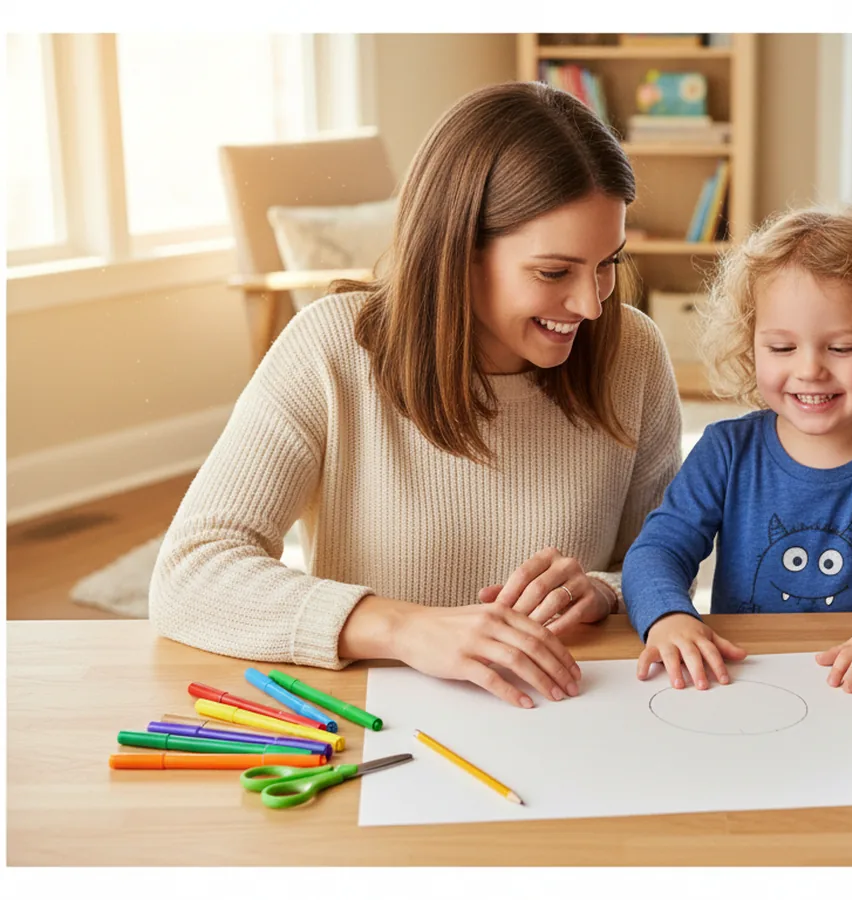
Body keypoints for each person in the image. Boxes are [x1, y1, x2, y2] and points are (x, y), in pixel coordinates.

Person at [149, 82, 683, 710]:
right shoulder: (331, 349)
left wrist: (602, 591)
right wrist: (403, 627)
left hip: (564, 712)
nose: (591, 305)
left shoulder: (634, 353)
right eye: (554, 272)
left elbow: (663, 561)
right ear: (457, 250)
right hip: (375, 726)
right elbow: (191, 572)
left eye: (607, 262)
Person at [621, 205, 852, 696]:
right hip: (741, 681)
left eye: (841, 348)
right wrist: (668, 617)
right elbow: (656, 551)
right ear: (750, 343)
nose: (810, 370)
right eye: (781, 348)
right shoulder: (725, 451)